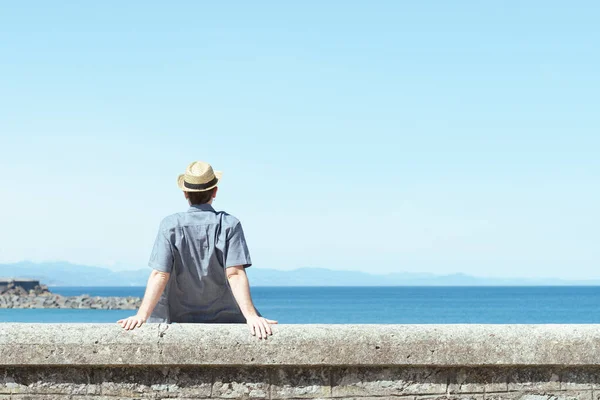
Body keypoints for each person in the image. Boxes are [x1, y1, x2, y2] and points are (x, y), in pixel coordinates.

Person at [118, 161, 277, 339]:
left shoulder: (170, 225)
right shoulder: (229, 224)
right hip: (228, 319)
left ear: (185, 193)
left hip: (180, 320)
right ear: (215, 191)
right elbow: (235, 274)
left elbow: (160, 274)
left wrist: (142, 316)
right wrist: (251, 316)